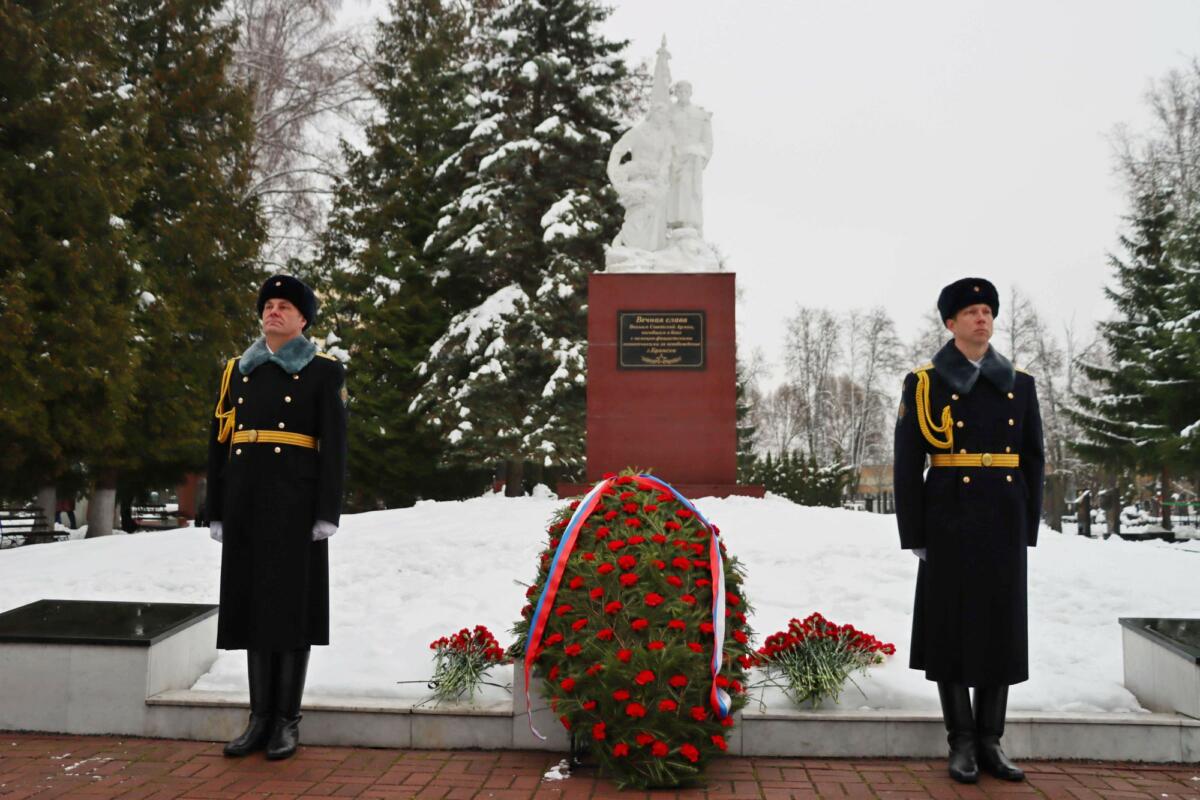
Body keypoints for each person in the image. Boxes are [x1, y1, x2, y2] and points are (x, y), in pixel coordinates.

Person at [893, 278, 1045, 784]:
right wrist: (914, 532)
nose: (982, 318)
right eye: (971, 312)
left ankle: (991, 741)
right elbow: (907, 463)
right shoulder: (924, 383)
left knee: (1001, 627)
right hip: (948, 518)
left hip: (1002, 516)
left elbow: (1033, 457)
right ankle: (960, 741)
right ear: (950, 323)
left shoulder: (1020, 383)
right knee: (951, 629)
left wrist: (1027, 522)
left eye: (987, 310)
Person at [206, 275, 347, 760]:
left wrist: (327, 511)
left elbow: (334, 448)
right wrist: (217, 509)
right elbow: (219, 443)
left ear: (304, 318)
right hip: (245, 502)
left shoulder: (323, 371)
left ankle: (287, 720)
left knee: (290, 611)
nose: (273, 311)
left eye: (285, 305)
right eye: (268, 304)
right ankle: (258, 719)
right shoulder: (235, 371)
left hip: (294, 505)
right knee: (250, 608)